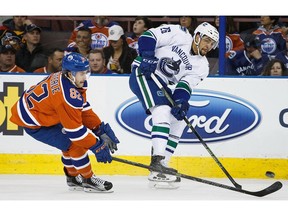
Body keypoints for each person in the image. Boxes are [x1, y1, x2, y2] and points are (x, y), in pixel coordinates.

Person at [9, 52, 120, 193]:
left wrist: (99, 128)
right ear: (69, 74)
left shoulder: (67, 79)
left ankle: (72, 178)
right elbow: (76, 132)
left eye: (86, 72)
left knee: (68, 144)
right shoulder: (66, 95)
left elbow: (82, 106)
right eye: (81, 73)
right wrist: (97, 146)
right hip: (34, 122)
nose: (85, 77)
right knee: (74, 144)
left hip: (42, 112)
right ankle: (88, 179)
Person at [129, 22, 219, 188]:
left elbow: (184, 86)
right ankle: (157, 163)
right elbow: (148, 36)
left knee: (178, 121)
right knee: (162, 110)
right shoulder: (180, 33)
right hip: (143, 72)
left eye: (212, 44)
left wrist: (181, 102)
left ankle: (162, 166)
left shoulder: (202, 67)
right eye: (207, 40)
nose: (209, 46)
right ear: (197, 36)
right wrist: (147, 54)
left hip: (161, 83)